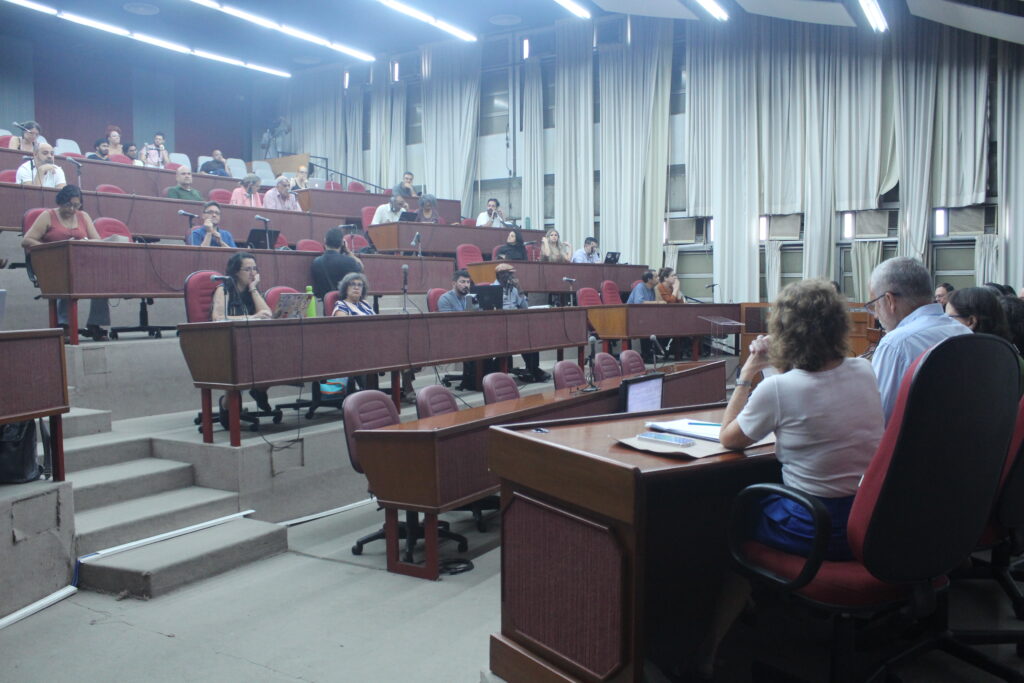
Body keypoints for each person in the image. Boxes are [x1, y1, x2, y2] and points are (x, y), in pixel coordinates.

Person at [691, 279, 884, 679]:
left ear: (784, 331)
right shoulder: (864, 370)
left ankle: (705, 652)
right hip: (867, 521)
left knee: (735, 521)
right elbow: (806, 391)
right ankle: (760, 605)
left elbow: (729, 438)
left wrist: (748, 372)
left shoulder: (779, 389)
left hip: (817, 529)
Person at [868, 256, 970, 424]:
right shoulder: (964, 332)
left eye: (874, 306)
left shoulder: (896, 345)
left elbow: (878, 420)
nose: (876, 316)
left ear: (889, 300)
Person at [21, 185, 110, 341]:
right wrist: (51, 249)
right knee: (67, 274)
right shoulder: (48, 216)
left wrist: (85, 242)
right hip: (54, 264)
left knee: (101, 278)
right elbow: (26, 240)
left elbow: (97, 241)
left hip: (81, 263)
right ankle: (65, 324)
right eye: (68, 205)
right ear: (61, 202)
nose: (72, 209)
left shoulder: (83, 216)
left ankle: (95, 324)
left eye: (76, 205)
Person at [210, 252, 274, 414]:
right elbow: (218, 318)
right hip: (226, 342)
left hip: (251, 341)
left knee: (275, 358)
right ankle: (226, 403)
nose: (253, 273)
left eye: (255, 269)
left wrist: (253, 289)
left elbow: (267, 314)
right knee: (235, 388)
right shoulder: (223, 289)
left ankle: (259, 390)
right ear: (236, 272)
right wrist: (251, 317)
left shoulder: (251, 291)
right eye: (248, 269)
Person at [494, 263, 549, 382]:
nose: (511, 277)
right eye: (509, 274)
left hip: (515, 323)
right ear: (500, 275)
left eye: (512, 274)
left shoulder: (514, 289)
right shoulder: (492, 288)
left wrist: (519, 289)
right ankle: (533, 370)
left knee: (531, 336)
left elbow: (524, 307)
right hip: (499, 325)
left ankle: (532, 368)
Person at [311, 226, 363, 300]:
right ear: (342, 243)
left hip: (326, 302)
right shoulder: (349, 262)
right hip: (345, 303)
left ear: (325, 241)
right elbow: (361, 267)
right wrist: (348, 251)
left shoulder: (316, 262)